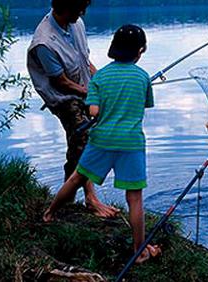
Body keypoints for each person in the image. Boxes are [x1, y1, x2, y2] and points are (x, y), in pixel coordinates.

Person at [42, 24, 159, 263]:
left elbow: (93, 110)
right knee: (134, 198)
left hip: (101, 141)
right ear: (141, 50)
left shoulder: (100, 77)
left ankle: (50, 213)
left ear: (113, 49)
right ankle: (139, 251)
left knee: (76, 178)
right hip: (131, 143)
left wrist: (101, 107)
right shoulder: (143, 77)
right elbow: (145, 104)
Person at [27, 0, 118, 218]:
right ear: (66, 8)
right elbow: (61, 82)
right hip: (62, 97)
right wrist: (92, 93)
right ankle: (88, 198)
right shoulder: (44, 42)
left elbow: (84, 61)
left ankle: (75, 191)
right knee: (83, 136)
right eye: (80, 8)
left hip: (82, 88)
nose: (83, 13)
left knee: (86, 138)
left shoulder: (76, 23)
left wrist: (102, 83)